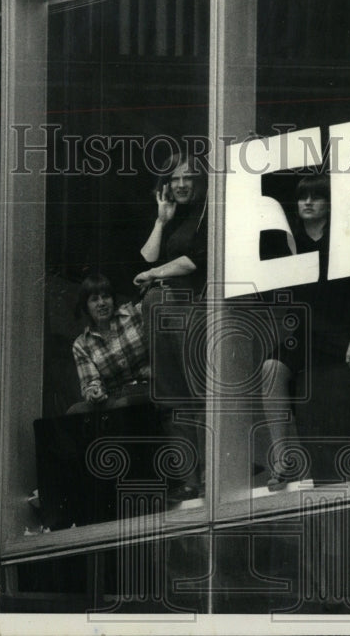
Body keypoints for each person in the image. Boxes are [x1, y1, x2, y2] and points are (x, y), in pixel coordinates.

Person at [260, 174, 350, 490]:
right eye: (303, 197)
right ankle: (283, 459)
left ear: (329, 202)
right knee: (272, 368)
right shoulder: (290, 242)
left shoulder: (346, 237)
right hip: (310, 334)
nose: (308, 202)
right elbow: (294, 305)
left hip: (347, 334)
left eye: (316, 196)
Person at [134, 150, 208, 503]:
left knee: (197, 391)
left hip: (189, 308)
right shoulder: (174, 217)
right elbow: (147, 256)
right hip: (159, 309)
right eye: (174, 178)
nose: (180, 184)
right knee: (169, 395)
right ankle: (188, 477)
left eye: (188, 177)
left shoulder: (206, 215)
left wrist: (153, 274)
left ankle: (210, 473)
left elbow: (195, 261)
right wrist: (161, 221)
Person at [72, 273, 150, 402]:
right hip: (116, 399)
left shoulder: (134, 313)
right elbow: (90, 382)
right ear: (86, 306)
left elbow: (155, 303)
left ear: (113, 300)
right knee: (75, 411)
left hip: (150, 388)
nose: (101, 303)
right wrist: (95, 393)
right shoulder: (81, 345)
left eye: (106, 297)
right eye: (94, 299)